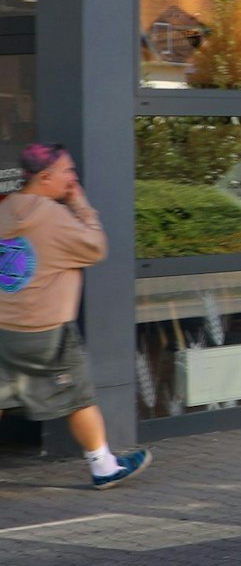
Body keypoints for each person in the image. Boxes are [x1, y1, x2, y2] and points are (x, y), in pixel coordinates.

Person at [0, 144, 151, 489]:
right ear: (46, 176)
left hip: (5, 326)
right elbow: (95, 247)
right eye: (68, 171)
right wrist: (80, 204)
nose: (73, 178)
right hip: (47, 329)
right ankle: (104, 466)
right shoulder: (53, 215)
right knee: (79, 398)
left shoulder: (6, 209)